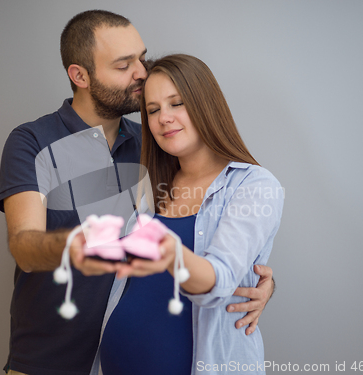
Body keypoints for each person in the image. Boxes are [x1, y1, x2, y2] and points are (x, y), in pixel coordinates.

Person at [0, 10, 275, 375]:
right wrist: (73, 247)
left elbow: (204, 222)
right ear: (80, 76)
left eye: (141, 58)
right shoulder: (33, 141)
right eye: (123, 64)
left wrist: (257, 282)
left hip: (125, 360)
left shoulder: (156, 144)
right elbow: (24, 246)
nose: (142, 72)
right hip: (48, 360)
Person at [99, 54, 284, 375]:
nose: (163, 118)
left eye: (177, 103)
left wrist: (170, 252)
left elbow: (223, 279)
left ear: (205, 105)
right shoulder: (150, 186)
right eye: (153, 110)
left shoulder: (255, 184)